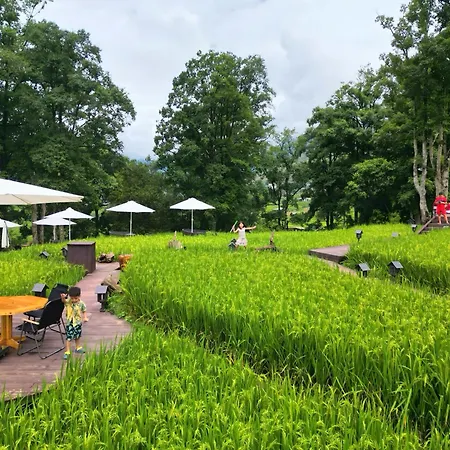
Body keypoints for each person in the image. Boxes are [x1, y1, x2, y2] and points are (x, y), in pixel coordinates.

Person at [61, 286, 88, 359]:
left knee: (77, 335)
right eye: (72, 298)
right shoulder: (69, 302)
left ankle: (78, 347)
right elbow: (64, 301)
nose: (74, 300)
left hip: (77, 322)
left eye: (76, 298)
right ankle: (67, 351)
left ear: (79, 296)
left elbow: (84, 310)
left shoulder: (81, 303)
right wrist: (63, 297)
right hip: (70, 322)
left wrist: (85, 317)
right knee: (69, 337)